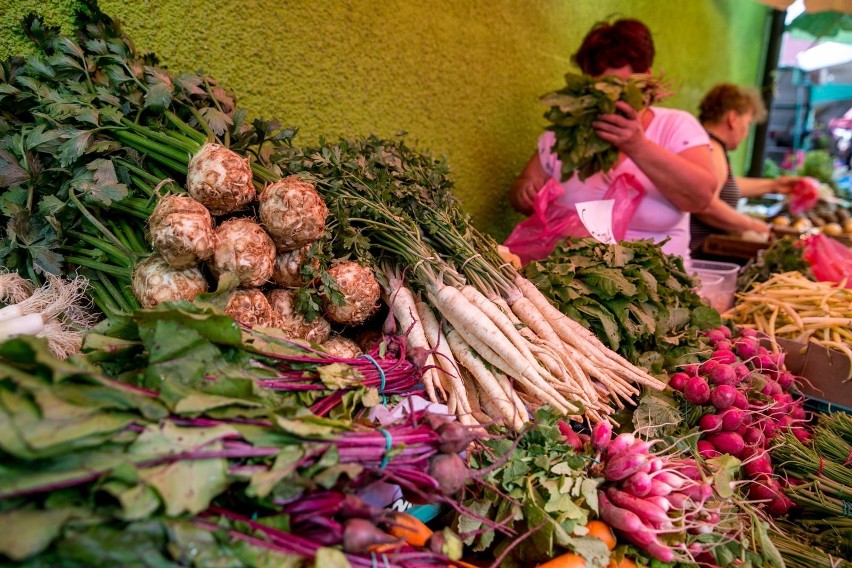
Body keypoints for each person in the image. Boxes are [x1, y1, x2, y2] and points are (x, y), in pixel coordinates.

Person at [508, 18, 717, 260]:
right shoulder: (565, 134)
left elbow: (701, 197)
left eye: (619, 88)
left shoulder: (675, 126)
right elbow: (521, 190)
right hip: (571, 280)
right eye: (597, 89)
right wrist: (524, 193)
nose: (608, 101)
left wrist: (637, 146)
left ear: (646, 80)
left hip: (658, 285)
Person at [690, 83, 801, 258]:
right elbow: (706, 205)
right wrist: (750, 224)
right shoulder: (712, 149)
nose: (747, 133)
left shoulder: (707, 143)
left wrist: (774, 185)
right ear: (733, 119)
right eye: (748, 123)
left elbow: (725, 184)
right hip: (697, 257)